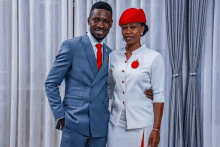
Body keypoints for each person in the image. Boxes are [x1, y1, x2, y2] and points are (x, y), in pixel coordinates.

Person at [45, 2, 153, 147]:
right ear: (89, 20)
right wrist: (61, 115)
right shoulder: (71, 46)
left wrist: (143, 92)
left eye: (105, 21)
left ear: (111, 24)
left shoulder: (111, 54)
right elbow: (51, 83)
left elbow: (114, 87)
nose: (101, 25)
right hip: (74, 124)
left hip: (100, 128)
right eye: (96, 20)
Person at [107, 8, 165, 147]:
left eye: (133, 27)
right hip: (115, 124)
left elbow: (158, 94)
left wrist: (156, 129)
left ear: (142, 29)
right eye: (124, 28)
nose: (128, 32)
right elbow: (109, 87)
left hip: (142, 124)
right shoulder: (113, 56)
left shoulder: (154, 57)